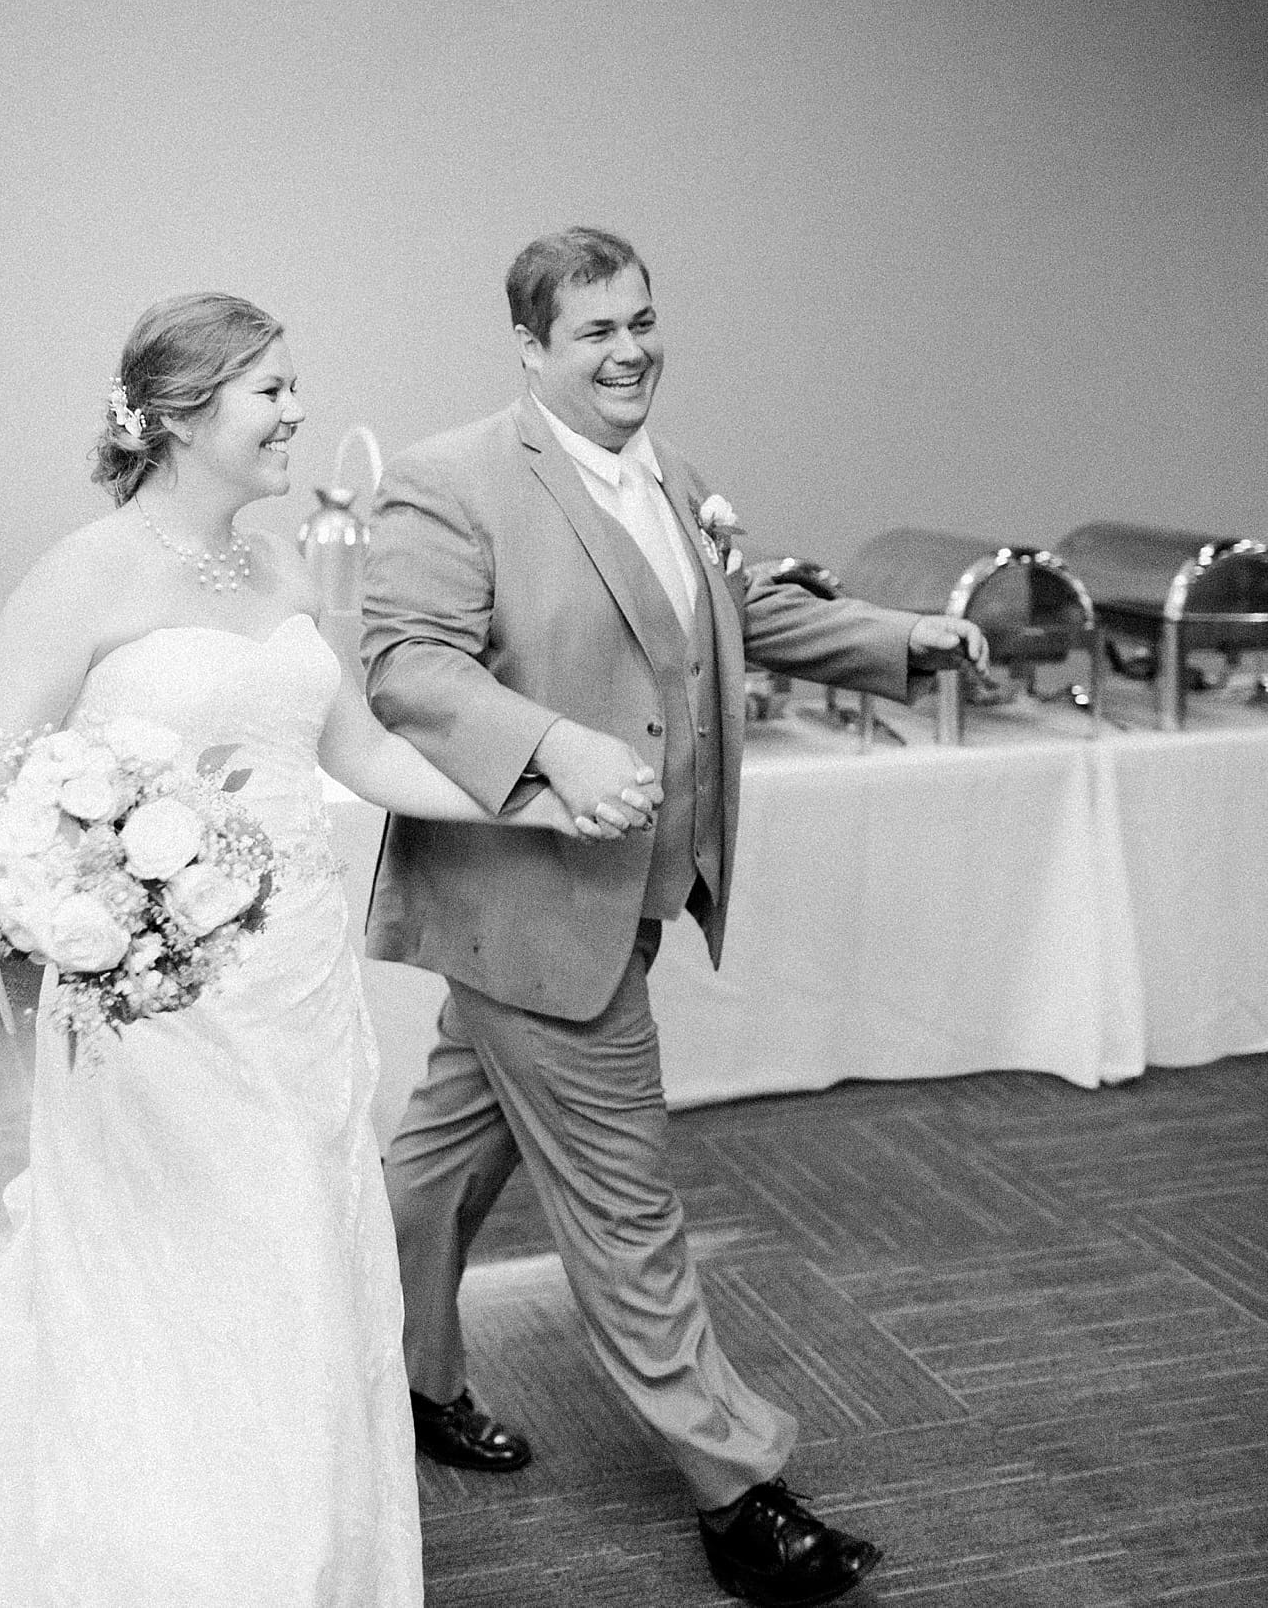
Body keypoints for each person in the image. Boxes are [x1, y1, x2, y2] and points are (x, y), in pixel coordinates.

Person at [0, 290, 631, 1608]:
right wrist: (94, 898)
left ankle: (299, 1556)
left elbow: (361, 753)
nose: (298, 413)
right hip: (155, 1006)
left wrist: (532, 801)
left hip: (297, 986)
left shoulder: (287, 569)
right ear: (177, 416)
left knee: (300, 1260)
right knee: (187, 1270)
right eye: (271, 390)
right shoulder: (86, 573)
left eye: (294, 386)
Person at [360, 229, 989, 1608]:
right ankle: (739, 1492)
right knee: (627, 1206)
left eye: (643, 320)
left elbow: (724, 609)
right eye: (594, 332)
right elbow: (403, 664)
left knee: (439, 1165)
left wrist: (897, 640)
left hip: (626, 899)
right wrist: (552, 749)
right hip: (534, 901)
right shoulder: (453, 480)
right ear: (530, 349)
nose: (631, 349)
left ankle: (385, 1372)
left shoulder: (675, 477)